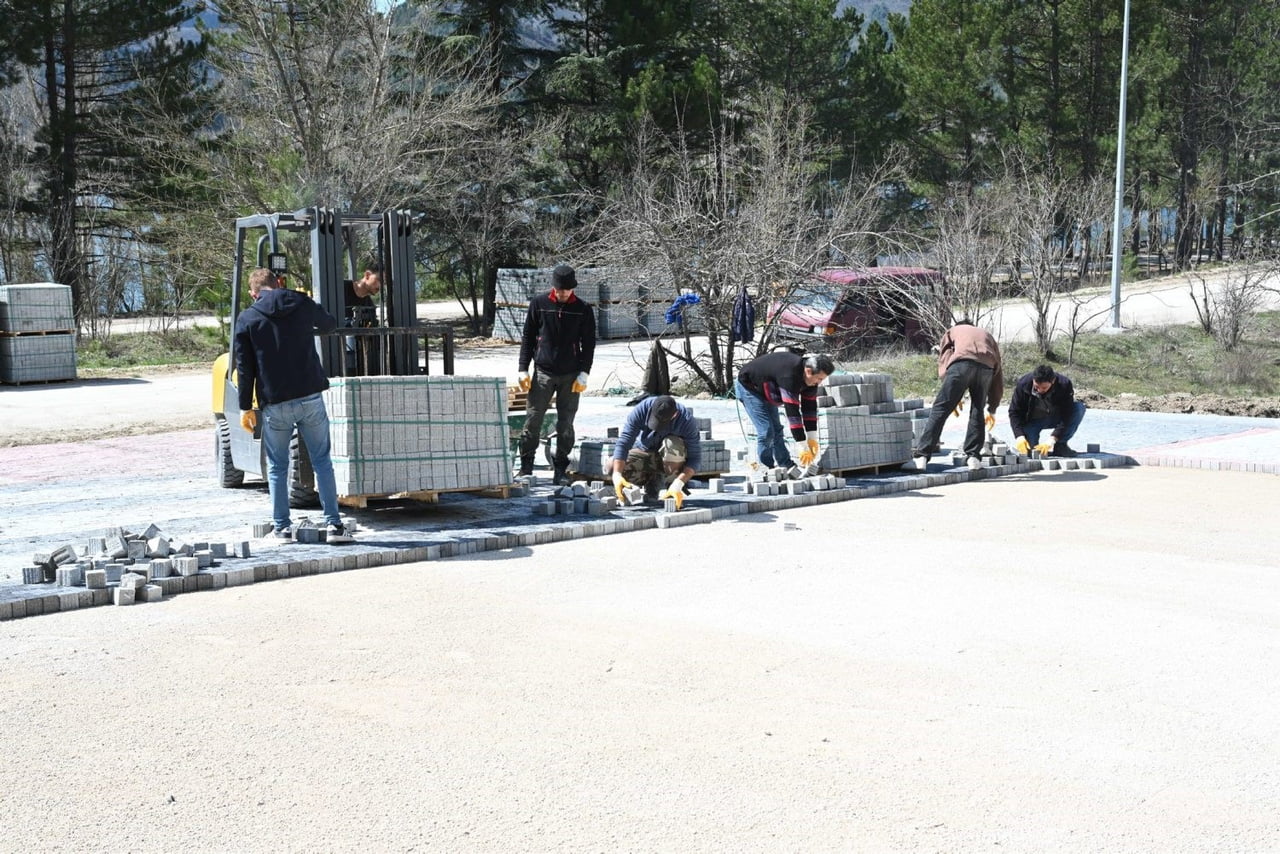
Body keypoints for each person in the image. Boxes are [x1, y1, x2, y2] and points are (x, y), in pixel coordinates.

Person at [234, 267, 354, 544]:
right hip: (310, 396)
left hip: (275, 403)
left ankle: (282, 529)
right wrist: (308, 305)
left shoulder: (248, 318)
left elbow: (245, 367)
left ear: (253, 293)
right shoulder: (299, 302)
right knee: (322, 461)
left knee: (278, 467)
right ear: (278, 283)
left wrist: (245, 407)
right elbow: (329, 325)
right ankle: (334, 526)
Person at [516, 263, 596, 485]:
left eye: (567, 290)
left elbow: (588, 344)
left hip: (570, 375)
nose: (563, 294)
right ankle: (526, 466)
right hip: (543, 372)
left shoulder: (582, 309)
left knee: (565, 424)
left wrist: (584, 373)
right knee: (533, 419)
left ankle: (560, 468)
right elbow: (528, 338)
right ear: (554, 287)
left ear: (573, 288)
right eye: (560, 290)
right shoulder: (539, 304)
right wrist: (523, 368)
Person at [909, 320, 1004, 470]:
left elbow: (945, 357)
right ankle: (973, 457)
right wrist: (993, 406)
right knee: (977, 410)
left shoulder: (952, 330)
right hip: (987, 367)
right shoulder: (987, 335)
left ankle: (921, 456)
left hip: (961, 364)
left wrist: (950, 389)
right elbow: (998, 372)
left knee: (940, 409)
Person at [734, 350, 833, 469]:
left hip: (768, 388)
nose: (819, 382)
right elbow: (793, 413)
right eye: (819, 378)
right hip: (750, 386)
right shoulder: (789, 376)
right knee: (766, 430)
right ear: (808, 371)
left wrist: (812, 438)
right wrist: (801, 444)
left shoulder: (811, 381)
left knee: (777, 429)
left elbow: (809, 409)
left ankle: (785, 464)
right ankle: (766, 468)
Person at [610, 395, 702, 508]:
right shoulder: (642, 409)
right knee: (611, 466)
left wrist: (679, 483)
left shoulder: (686, 421)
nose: (658, 426)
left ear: (675, 414)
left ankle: (671, 489)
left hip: (670, 460)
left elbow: (695, 459)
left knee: (673, 444)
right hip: (646, 451)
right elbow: (624, 442)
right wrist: (617, 475)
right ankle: (649, 482)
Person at [1007, 364, 1087, 457]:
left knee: (1078, 408)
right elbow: (1014, 412)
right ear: (1033, 379)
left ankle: (1061, 445)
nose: (1040, 390)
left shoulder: (1064, 384)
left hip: (1055, 418)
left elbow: (1067, 415)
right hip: (1033, 421)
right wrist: (1019, 436)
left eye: (1044, 388)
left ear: (1052, 381)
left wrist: (1052, 439)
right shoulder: (1023, 384)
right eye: (1037, 387)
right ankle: (1030, 442)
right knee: (1031, 452)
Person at [342, 260, 382, 375]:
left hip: (358, 358)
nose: (380, 286)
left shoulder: (369, 306)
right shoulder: (340, 289)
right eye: (379, 280)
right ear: (367, 275)